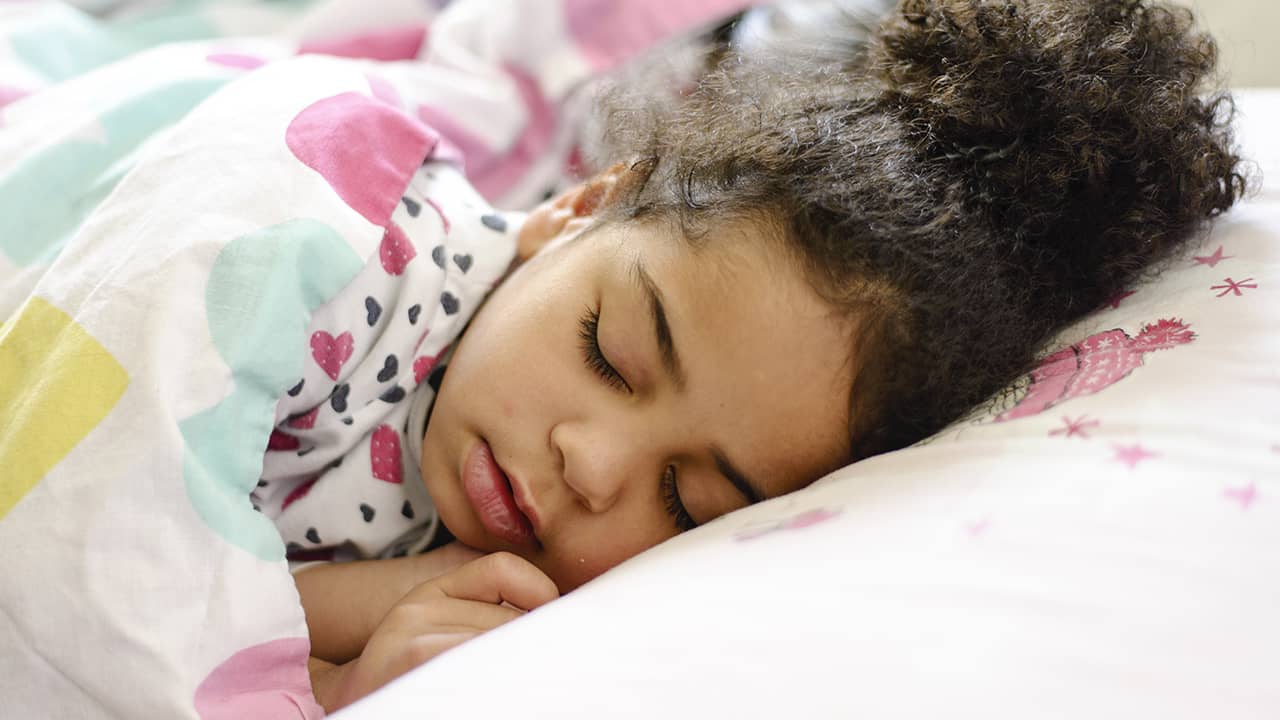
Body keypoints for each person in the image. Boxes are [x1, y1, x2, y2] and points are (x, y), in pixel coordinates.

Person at [285, 0, 1246, 709]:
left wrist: (346, 674)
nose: (594, 465)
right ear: (583, 208)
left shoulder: (501, 609)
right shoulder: (332, 263)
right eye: (609, 354)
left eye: (685, 502)